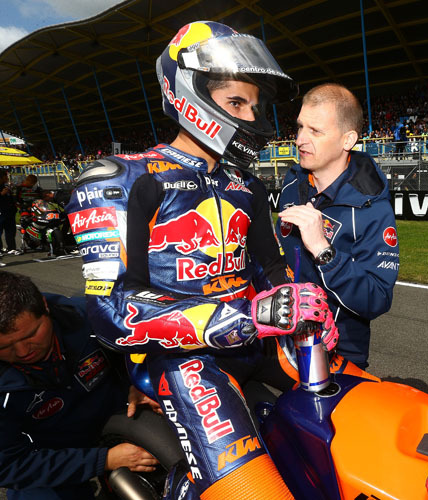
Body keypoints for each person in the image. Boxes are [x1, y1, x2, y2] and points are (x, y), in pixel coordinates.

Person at [64, 21, 337, 499]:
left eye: (256, 104)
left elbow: (270, 269)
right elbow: (110, 313)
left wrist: (298, 308)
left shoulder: (247, 186)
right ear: (188, 91)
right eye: (237, 102)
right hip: (182, 362)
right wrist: (247, 317)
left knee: (359, 423)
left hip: (258, 343)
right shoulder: (119, 180)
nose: (251, 116)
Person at [0, 271, 158, 500]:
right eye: (6, 346)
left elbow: (142, 349)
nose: (24, 351)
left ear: (45, 307)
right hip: (46, 456)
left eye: (31, 335)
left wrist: (139, 383)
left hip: (117, 417)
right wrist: (104, 460)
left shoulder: (91, 315)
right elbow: (8, 466)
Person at [277, 83, 398, 372]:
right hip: (280, 340)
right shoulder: (292, 183)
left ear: (348, 140)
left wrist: (323, 250)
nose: (300, 140)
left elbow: (377, 299)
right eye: (300, 128)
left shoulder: (372, 208)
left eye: (315, 131)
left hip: (337, 354)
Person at [0, 171, 18, 258]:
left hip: (9, 212)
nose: (7, 178)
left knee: (10, 230)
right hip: (1, 212)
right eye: (5, 176)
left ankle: (11, 248)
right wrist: (1, 194)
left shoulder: (6, 187)